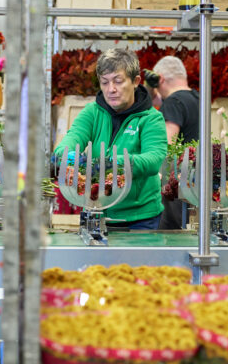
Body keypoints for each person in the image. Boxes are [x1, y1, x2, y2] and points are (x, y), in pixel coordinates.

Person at [53, 48, 168, 230]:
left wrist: (111, 164)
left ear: (136, 81)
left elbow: (153, 159)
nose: (111, 89)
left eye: (118, 81)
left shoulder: (151, 118)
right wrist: (68, 156)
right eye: (104, 82)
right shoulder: (92, 113)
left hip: (139, 218)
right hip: (95, 211)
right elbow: (70, 140)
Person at [146, 56, 198, 230]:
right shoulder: (197, 99)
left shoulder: (173, 103)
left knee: (171, 241)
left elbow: (167, 147)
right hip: (194, 186)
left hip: (175, 189)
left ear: (159, 78)